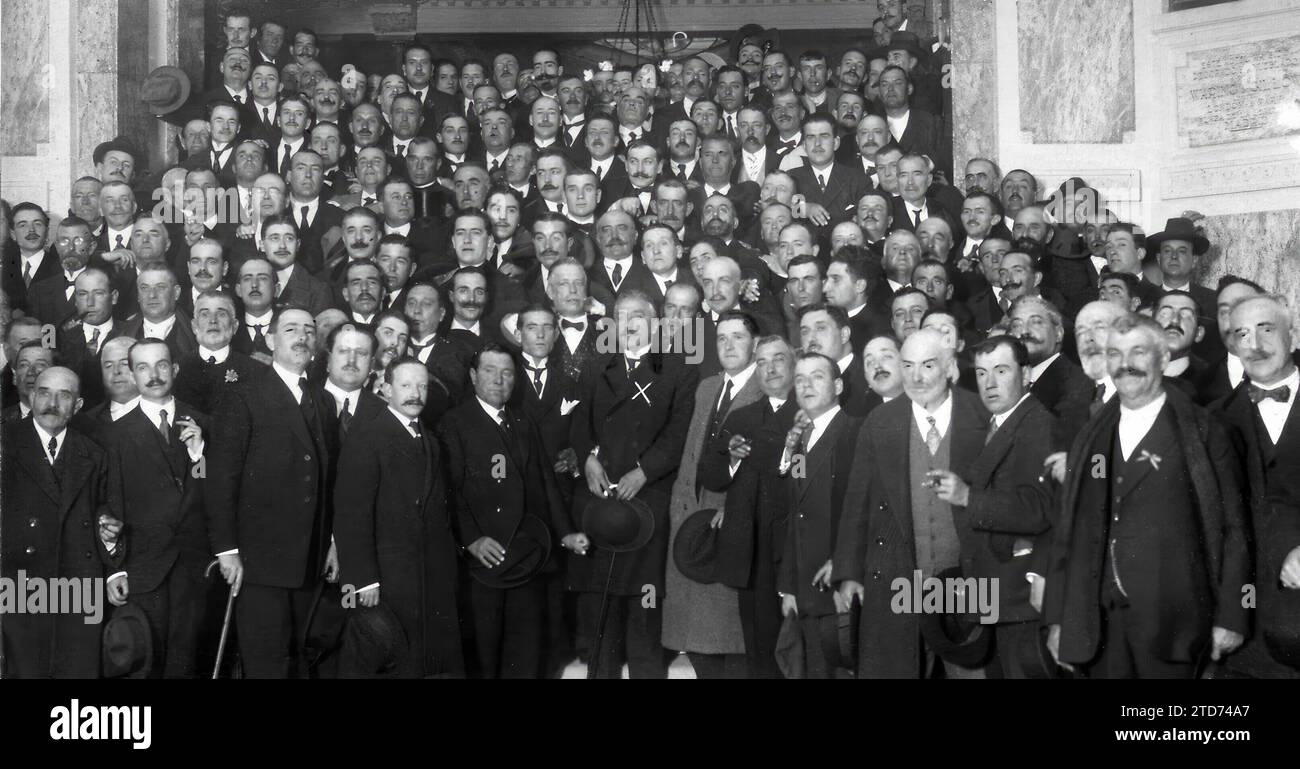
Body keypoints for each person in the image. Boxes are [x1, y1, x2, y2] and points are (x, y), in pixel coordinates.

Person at [1044, 313, 1248, 678]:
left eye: (1138, 352)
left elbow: (1234, 528)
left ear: (1164, 359)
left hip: (1175, 629)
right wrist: (1058, 619)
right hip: (1099, 626)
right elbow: (1069, 532)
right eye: (1115, 354)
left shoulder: (1205, 432)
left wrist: (1233, 615)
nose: (1125, 365)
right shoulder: (1091, 436)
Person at [835, 329, 991, 678]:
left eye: (928, 366)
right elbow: (856, 501)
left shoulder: (982, 414)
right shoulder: (880, 422)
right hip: (899, 577)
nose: (916, 377)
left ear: (950, 367)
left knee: (972, 667)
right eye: (908, 366)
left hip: (968, 578)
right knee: (901, 666)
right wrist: (849, 573)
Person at [568, 290, 698, 678]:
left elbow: (679, 434)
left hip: (649, 500)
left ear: (655, 323)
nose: (627, 325)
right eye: (620, 318)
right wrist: (587, 456)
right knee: (600, 610)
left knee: (644, 608)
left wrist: (644, 471)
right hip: (602, 496)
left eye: (636, 318)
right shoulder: (597, 367)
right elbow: (579, 422)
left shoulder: (678, 369)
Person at [205, 305, 336, 678]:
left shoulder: (322, 400)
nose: (302, 337)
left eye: (309, 330)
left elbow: (327, 478)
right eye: (291, 329)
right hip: (259, 561)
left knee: (299, 662)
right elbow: (222, 479)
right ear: (270, 339)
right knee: (266, 663)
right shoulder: (244, 396)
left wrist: (331, 541)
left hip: (309, 561)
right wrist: (228, 550)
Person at [929, 335, 1058, 678]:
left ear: (1027, 374)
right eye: (982, 373)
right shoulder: (999, 423)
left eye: (1001, 370)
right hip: (997, 596)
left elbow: (1038, 509)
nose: (989, 383)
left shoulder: (1037, 424)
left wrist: (967, 497)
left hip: (1019, 599)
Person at [437, 343, 567, 678]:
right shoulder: (454, 423)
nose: (499, 379)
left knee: (524, 653)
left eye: (507, 372)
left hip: (525, 557)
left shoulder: (523, 421)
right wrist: (472, 540)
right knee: (484, 654)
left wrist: (566, 533)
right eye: (490, 371)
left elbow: (545, 483)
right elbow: (446, 493)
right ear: (473, 376)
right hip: (483, 563)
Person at [334, 358, 464, 678]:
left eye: (421, 386)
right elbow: (352, 514)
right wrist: (363, 579)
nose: (415, 393)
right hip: (388, 576)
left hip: (430, 574)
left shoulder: (429, 439)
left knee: (426, 660)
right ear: (387, 388)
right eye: (406, 385)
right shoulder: (367, 437)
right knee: (393, 658)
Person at [1, 367, 124, 677]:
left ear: (78, 405)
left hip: (79, 585)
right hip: (19, 585)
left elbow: (104, 512)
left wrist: (109, 534)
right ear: (31, 396)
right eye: (44, 392)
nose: (52, 403)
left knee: (76, 675)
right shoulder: (5, 443)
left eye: (63, 395)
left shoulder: (93, 453)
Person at [663, 311, 763, 678]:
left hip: (728, 523)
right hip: (690, 519)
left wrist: (734, 508)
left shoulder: (765, 389)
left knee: (731, 638)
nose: (729, 345)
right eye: (722, 338)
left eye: (738, 337)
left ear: (754, 344)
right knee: (694, 639)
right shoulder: (707, 387)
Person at [103, 338, 209, 678]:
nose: (154, 375)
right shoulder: (115, 435)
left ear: (174, 369)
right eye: (143, 367)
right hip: (143, 566)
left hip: (194, 566)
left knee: (188, 660)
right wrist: (115, 567)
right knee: (145, 658)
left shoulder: (204, 423)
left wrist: (198, 457)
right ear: (132, 375)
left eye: (162, 365)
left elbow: (214, 492)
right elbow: (109, 503)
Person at [1214, 294, 1300, 678]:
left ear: (1292, 335)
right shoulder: (1214, 419)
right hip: (1252, 636)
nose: (1255, 344)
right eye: (1241, 334)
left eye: (1266, 329)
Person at [775, 351, 861, 678]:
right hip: (806, 589)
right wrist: (789, 587)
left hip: (839, 586)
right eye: (799, 379)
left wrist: (845, 563)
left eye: (817, 377)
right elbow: (795, 515)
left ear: (838, 385)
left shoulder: (855, 431)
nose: (806, 385)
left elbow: (863, 510)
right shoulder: (799, 443)